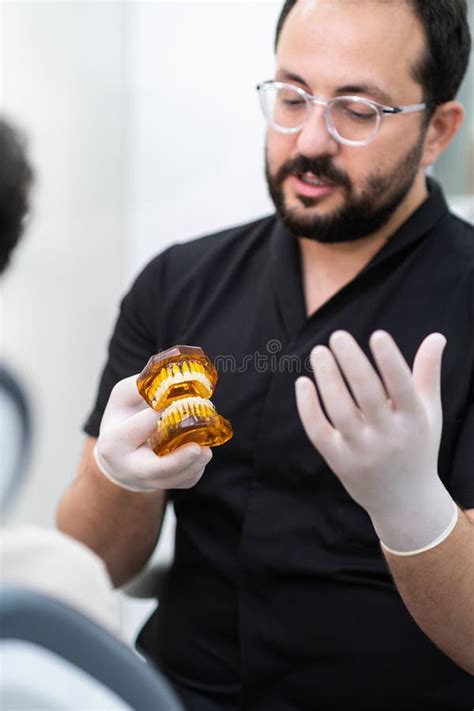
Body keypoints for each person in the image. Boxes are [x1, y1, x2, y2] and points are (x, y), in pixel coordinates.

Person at [57, 1, 474, 708]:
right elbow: (88, 565)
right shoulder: (180, 283)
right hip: (173, 691)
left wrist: (415, 514)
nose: (310, 140)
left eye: (358, 110)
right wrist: (118, 476)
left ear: (436, 130)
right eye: (291, 96)